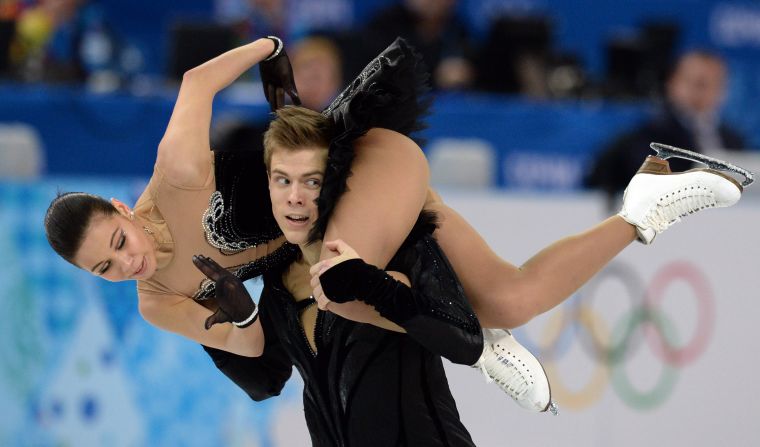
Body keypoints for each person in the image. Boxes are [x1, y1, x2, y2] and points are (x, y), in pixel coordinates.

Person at [44, 36, 744, 415]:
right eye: (105, 269)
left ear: (123, 211)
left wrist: (270, 48)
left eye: (118, 242)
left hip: (375, 166)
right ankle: (646, 203)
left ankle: (474, 347)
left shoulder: (175, 174)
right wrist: (232, 316)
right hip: (358, 224)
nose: (126, 263)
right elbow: (257, 346)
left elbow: (197, 81)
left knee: (336, 284)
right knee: (512, 295)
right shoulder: (157, 300)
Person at [193, 105, 486, 445]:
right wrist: (234, 320)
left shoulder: (396, 245)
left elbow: (466, 342)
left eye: (311, 181)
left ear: (333, 182)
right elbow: (266, 381)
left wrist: (366, 280)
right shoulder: (278, 276)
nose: (294, 198)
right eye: (283, 180)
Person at [585, 49, 748, 197]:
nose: (701, 92)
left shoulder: (733, 140)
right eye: (696, 83)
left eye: (712, 84)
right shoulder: (649, 137)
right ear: (672, 83)